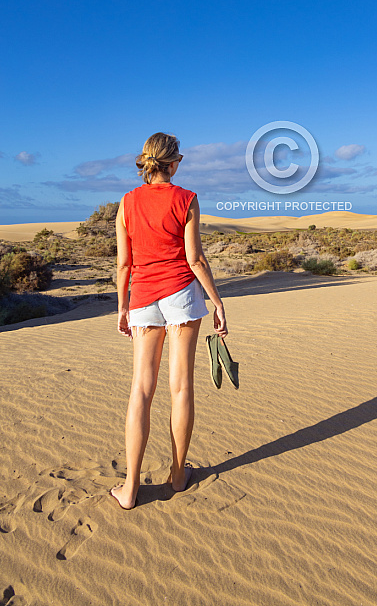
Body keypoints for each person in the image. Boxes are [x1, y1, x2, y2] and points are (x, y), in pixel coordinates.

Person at [111, 132, 227, 510]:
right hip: (182, 296)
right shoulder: (187, 198)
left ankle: (129, 489)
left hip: (142, 297)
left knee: (141, 390)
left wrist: (122, 307)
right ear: (173, 162)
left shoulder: (127, 203)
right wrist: (217, 301)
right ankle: (178, 475)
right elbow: (195, 258)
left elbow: (124, 264)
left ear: (148, 163)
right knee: (181, 388)